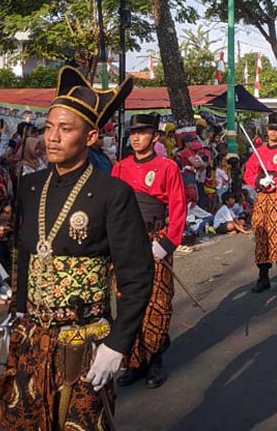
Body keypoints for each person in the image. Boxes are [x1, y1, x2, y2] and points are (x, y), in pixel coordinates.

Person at [0, 66, 154, 431]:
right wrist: (17, 312)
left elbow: (137, 276)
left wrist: (118, 344)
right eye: (48, 127)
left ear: (91, 136)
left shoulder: (112, 193)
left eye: (65, 129)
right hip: (33, 337)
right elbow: (24, 256)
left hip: (84, 342)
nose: (52, 137)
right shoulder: (30, 186)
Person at [111, 112, 187, 389]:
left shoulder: (168, 167)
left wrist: (166, 244)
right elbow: (111, 210)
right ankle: (134, 362)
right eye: (133, 133)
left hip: (155, 239)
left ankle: (154, 360)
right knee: (129, 302)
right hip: (125, 243)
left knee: (156, 302)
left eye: (142, 132)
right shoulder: (118, 168)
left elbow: (178, 207)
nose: (136, 137)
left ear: (154, 137)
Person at [243, 111, 277, 295]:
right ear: (267, 130)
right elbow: (248, 173)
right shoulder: (259, 152)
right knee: (262, 235)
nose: (274, 133)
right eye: (271, 129)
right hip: (263, 199)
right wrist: (259, 181)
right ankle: (263, 277)